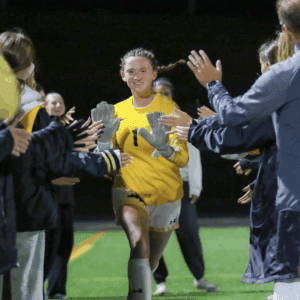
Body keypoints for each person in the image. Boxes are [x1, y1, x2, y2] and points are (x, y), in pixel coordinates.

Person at [174, 1, 300, 297]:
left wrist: (212, 86)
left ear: (286, 30)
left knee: (290, 282)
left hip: (295, 200)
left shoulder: (285, 76)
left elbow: (235, 120)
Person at [91, 48, 188, 300]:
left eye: (143, 70)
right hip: (128, 190)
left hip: (167, 195)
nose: (137, 76)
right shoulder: (115, 111)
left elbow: (183, 158)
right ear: (122, 75)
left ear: (154, 73)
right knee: (139, 243)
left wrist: (165, 148)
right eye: (131, 71)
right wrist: (101, 145)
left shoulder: (169, 108)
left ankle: (137, 292)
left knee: (150, 261)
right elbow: (104, 166)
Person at [152, 77, 218, 295]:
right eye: (158, 93)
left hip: (183, 187)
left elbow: (195, 155)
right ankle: (160, 281)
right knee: (155, 236)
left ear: (172, 95)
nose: (162, 97)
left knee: (189, 235)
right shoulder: (145, 120)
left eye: (166, 93)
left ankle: (199, 277)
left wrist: (196, 188)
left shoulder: (182, 119)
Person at [43, 93, 77, 300]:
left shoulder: (68, 133)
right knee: (46, 248)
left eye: (60, 103)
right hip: (44, 198)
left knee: (64, 245)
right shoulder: (39, 132)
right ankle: (34, 287)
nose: (57, 106)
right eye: (53, 102)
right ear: (44, 107)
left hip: (65, 198)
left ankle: (56, 290)